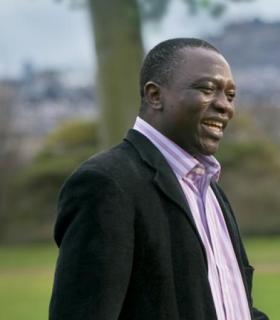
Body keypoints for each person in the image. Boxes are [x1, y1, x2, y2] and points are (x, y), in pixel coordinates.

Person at [49, 38, 268, 320]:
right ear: (154, 95)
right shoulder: (106, 184)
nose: (224, 106)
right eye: (207, 89)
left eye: (230, 95)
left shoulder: (211, 190)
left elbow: (231, 307)